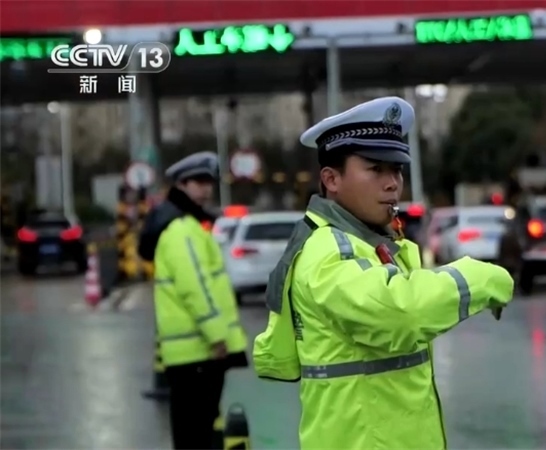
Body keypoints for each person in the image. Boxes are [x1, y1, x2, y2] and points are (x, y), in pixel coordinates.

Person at [253, 97, 514, 450]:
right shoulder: (330, 250)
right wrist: (479, 277)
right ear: (331, 179)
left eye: (397, 169)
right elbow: (401, 312)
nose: (392, 183)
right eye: (376, 169)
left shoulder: (370, 241)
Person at [138, 152, 249, 449]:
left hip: (192, 353)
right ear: (181, 186)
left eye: (208, 182)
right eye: (198, 182)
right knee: (195, 433)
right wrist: (217, 335)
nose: (206, 189)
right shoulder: (181, 230)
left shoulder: (188, 226)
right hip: (198, 351)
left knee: (193, 431)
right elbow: (195, 287)